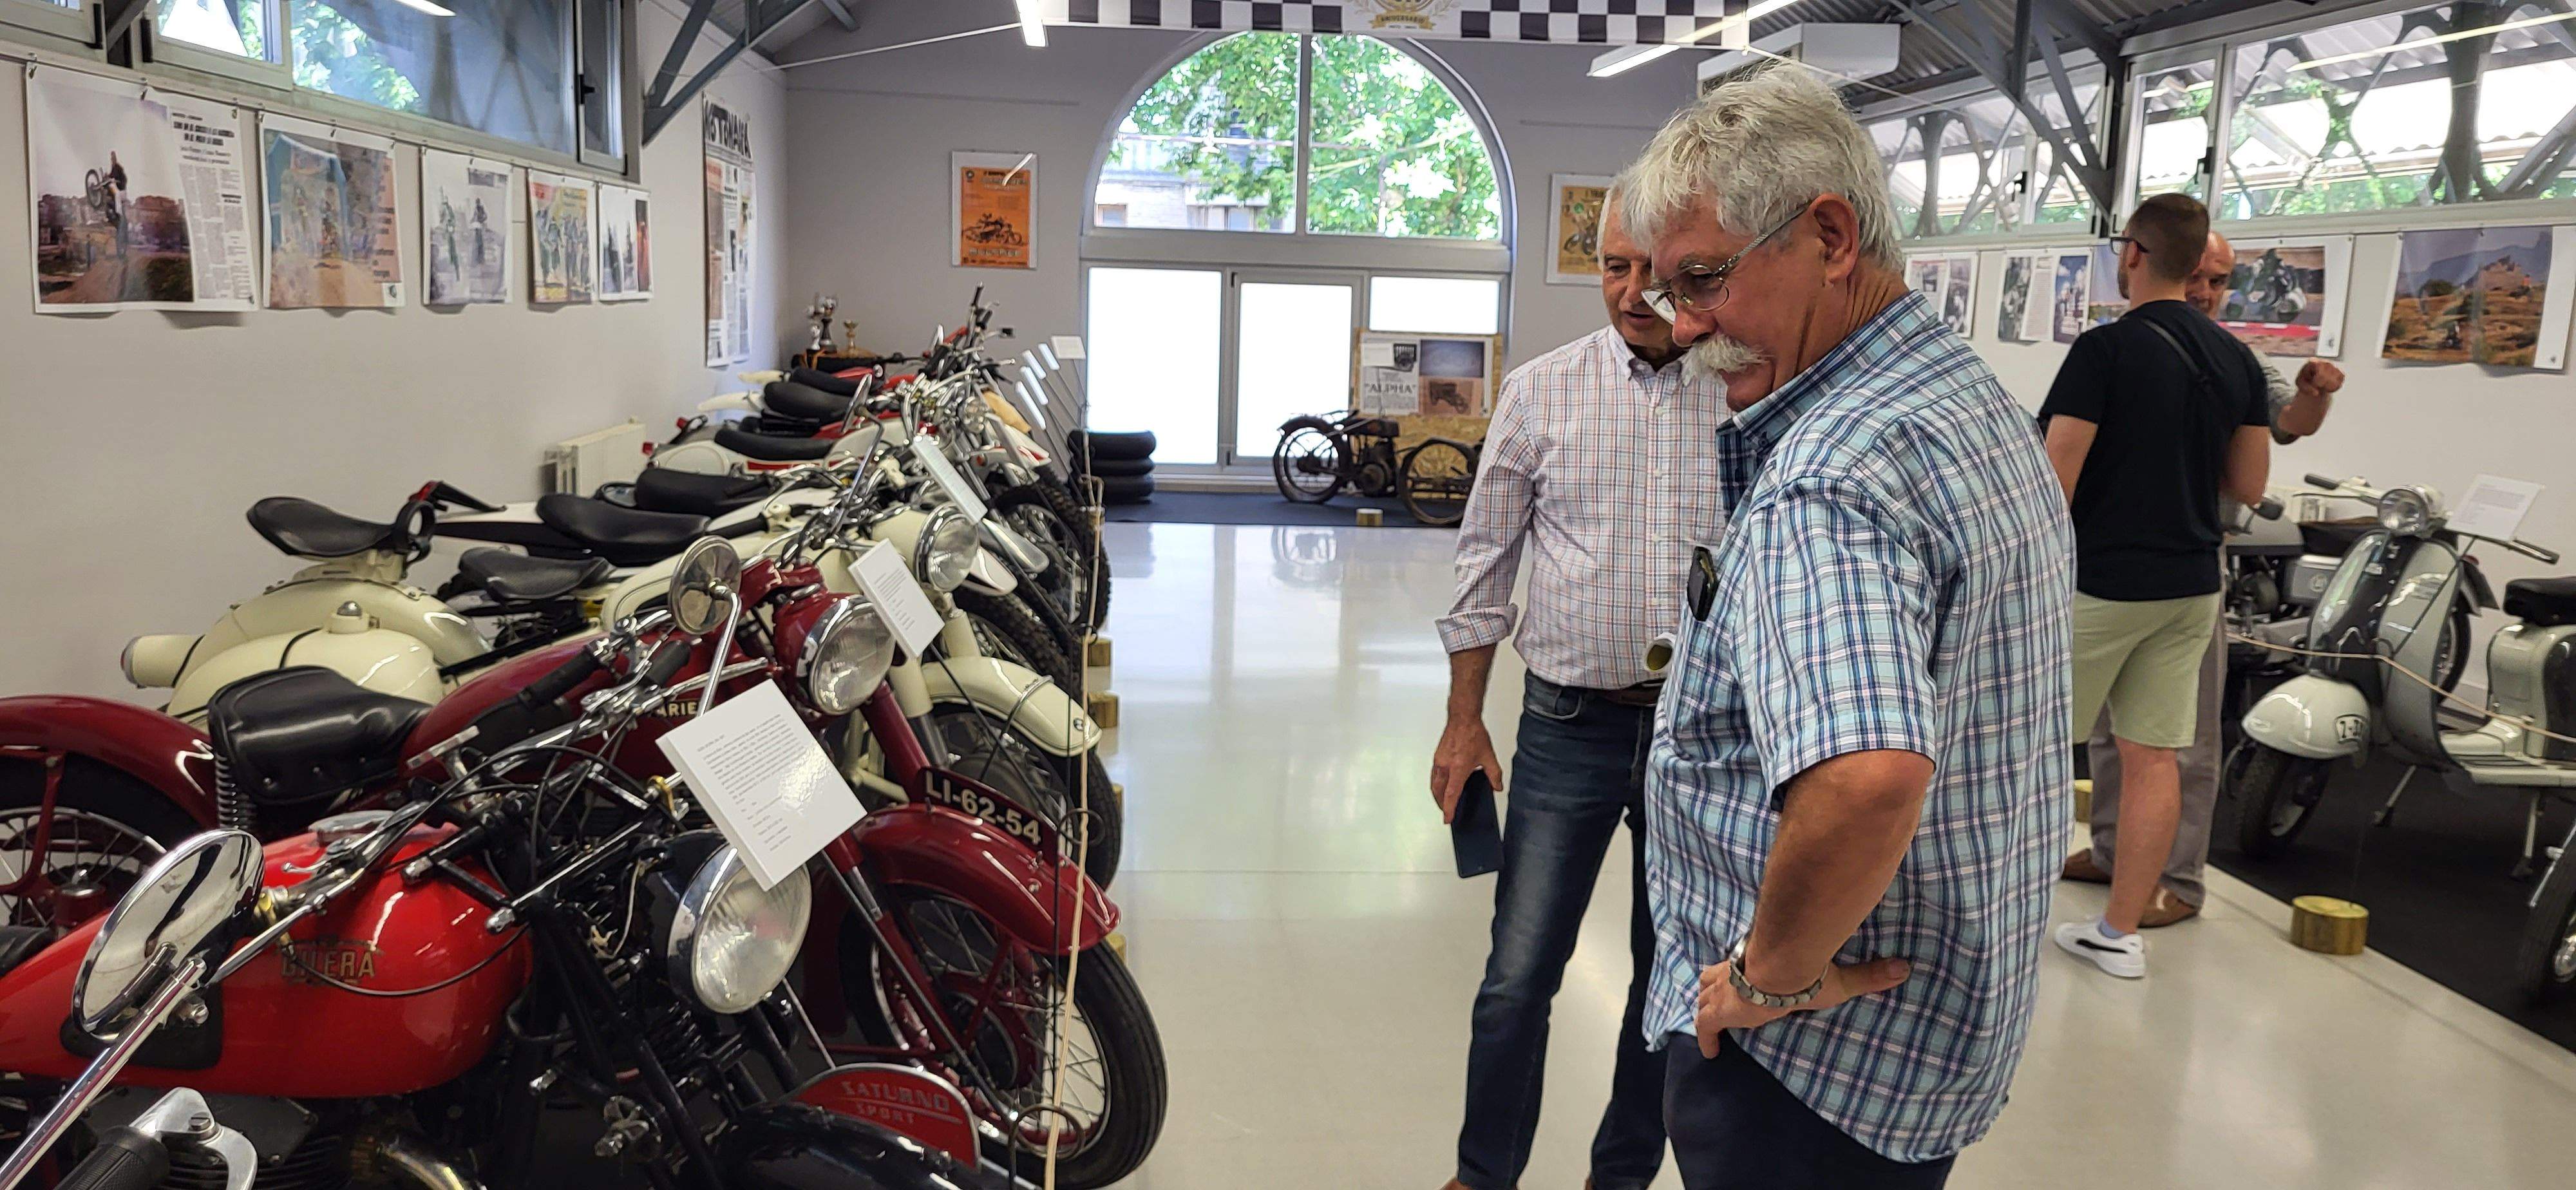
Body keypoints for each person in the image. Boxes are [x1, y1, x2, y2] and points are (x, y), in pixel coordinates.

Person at [1624, 66, 2073, 1187]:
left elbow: (1865, 777)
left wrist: (1767, 978)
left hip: (1810, 1064)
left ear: (1830, 235)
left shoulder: (1829, 478)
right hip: (1930, 1032)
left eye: (1704, 279)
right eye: (1671, 292)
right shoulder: (1968, 400)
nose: (1686, 326)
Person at [1430, 185, 1729, 1190]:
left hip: (1703, 738)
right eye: (1614, 267)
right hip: (1567, 724)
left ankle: (1623, 1176)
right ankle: (1483, 1176)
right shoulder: (1542, 391)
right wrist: (1463, 722)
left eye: (1657, 271)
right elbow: (1483, 564)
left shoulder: (1744, 393)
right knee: (1518, 979)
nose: (1635, 292)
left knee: (1669, 979)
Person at [2063, 231, 2343, 924]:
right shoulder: (2120, 347)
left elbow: (2286, 425)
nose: (2206, 291)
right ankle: (2114, 854)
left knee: (2176, 738)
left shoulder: (2235, 358)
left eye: (2219, 281)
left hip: (2187, 566)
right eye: (2197, 276)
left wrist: (2314, 396)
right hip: (2118, 567)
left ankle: (2178, 880)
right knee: (2117, 733)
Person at [2040, 193, 2272, 977]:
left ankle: (1988, 921)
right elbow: (2247, 483)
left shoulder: (2103, 350)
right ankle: (2118, 934)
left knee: (2027, 748)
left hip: (2100, 584)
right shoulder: (2236, 360)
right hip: (2191, 586)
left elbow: (2055, 480)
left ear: (2132, 254)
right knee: (2153, 758)